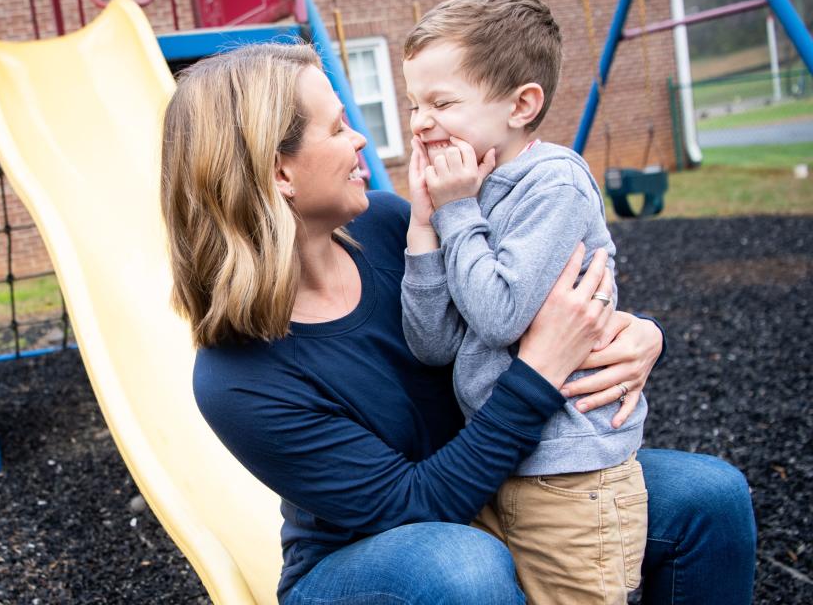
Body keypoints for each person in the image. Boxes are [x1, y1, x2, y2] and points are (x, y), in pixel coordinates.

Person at [159, 42, 756, 605]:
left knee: (708, 497)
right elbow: (418, 502)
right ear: (279, 174)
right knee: (463, 568)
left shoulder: (395, 228)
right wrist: (541, 368)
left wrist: (640, 333)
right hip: (373, 558)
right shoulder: (237, 378)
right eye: (339, 128)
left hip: (505, 485)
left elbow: (522, 296)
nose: (363, 139)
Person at [400, 0, 645, 603]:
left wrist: (457, 212)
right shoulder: (470, 192)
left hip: (572, 473)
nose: (420, 121)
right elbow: (435, 344)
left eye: (442, 102)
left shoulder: (553, 182)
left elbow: (502, 315)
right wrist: (425, 227)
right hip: (504, 466)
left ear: (521, 104)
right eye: (413, 104)